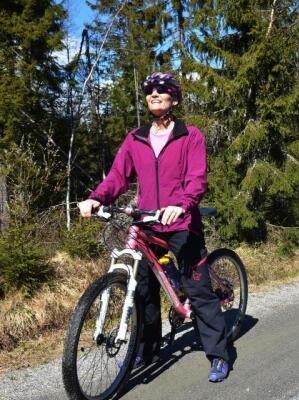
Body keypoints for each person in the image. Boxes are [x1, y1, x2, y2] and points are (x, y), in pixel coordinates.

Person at [77, 72, 230, 382]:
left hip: (181, 223)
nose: (155, 94)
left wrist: (182, 205)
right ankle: (147, 350)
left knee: (198, 291)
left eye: (163, 90)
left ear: (174, 98)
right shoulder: (136, 138)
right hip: (146, 224)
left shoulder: (190, 135)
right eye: (149, 91)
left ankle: (219, 355)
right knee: (143, 291)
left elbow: (196, 179)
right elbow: (117, 177)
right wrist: (95, 199)